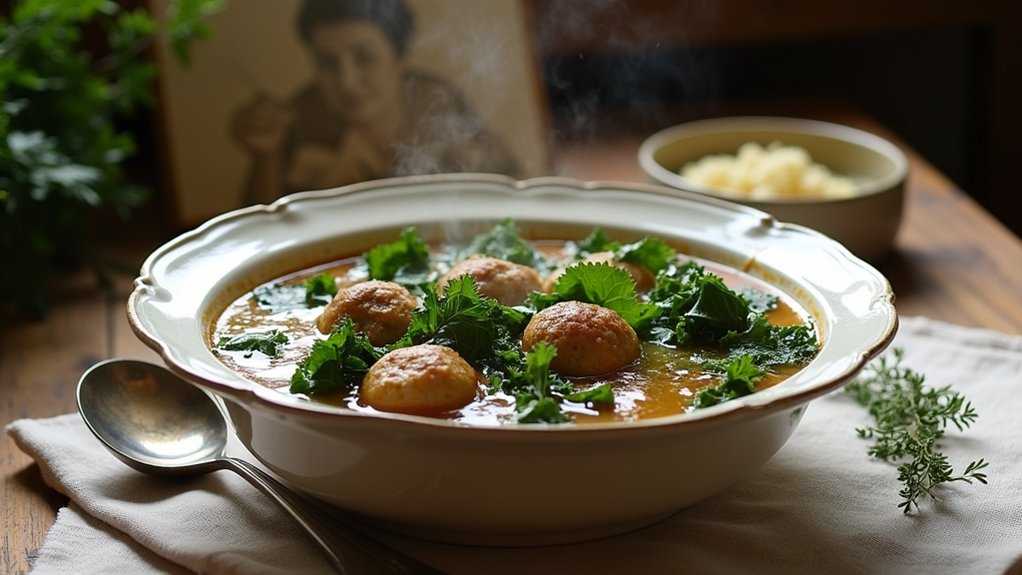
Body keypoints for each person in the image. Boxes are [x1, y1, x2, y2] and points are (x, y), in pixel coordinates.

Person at [231, 0, 521, 205]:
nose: (346, 81)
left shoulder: (436, 101)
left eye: (364, 57)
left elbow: (511, 182)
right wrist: (265, 156)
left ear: (400, 56)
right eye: (327, 63)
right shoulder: (300, 117)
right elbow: (261, 223)